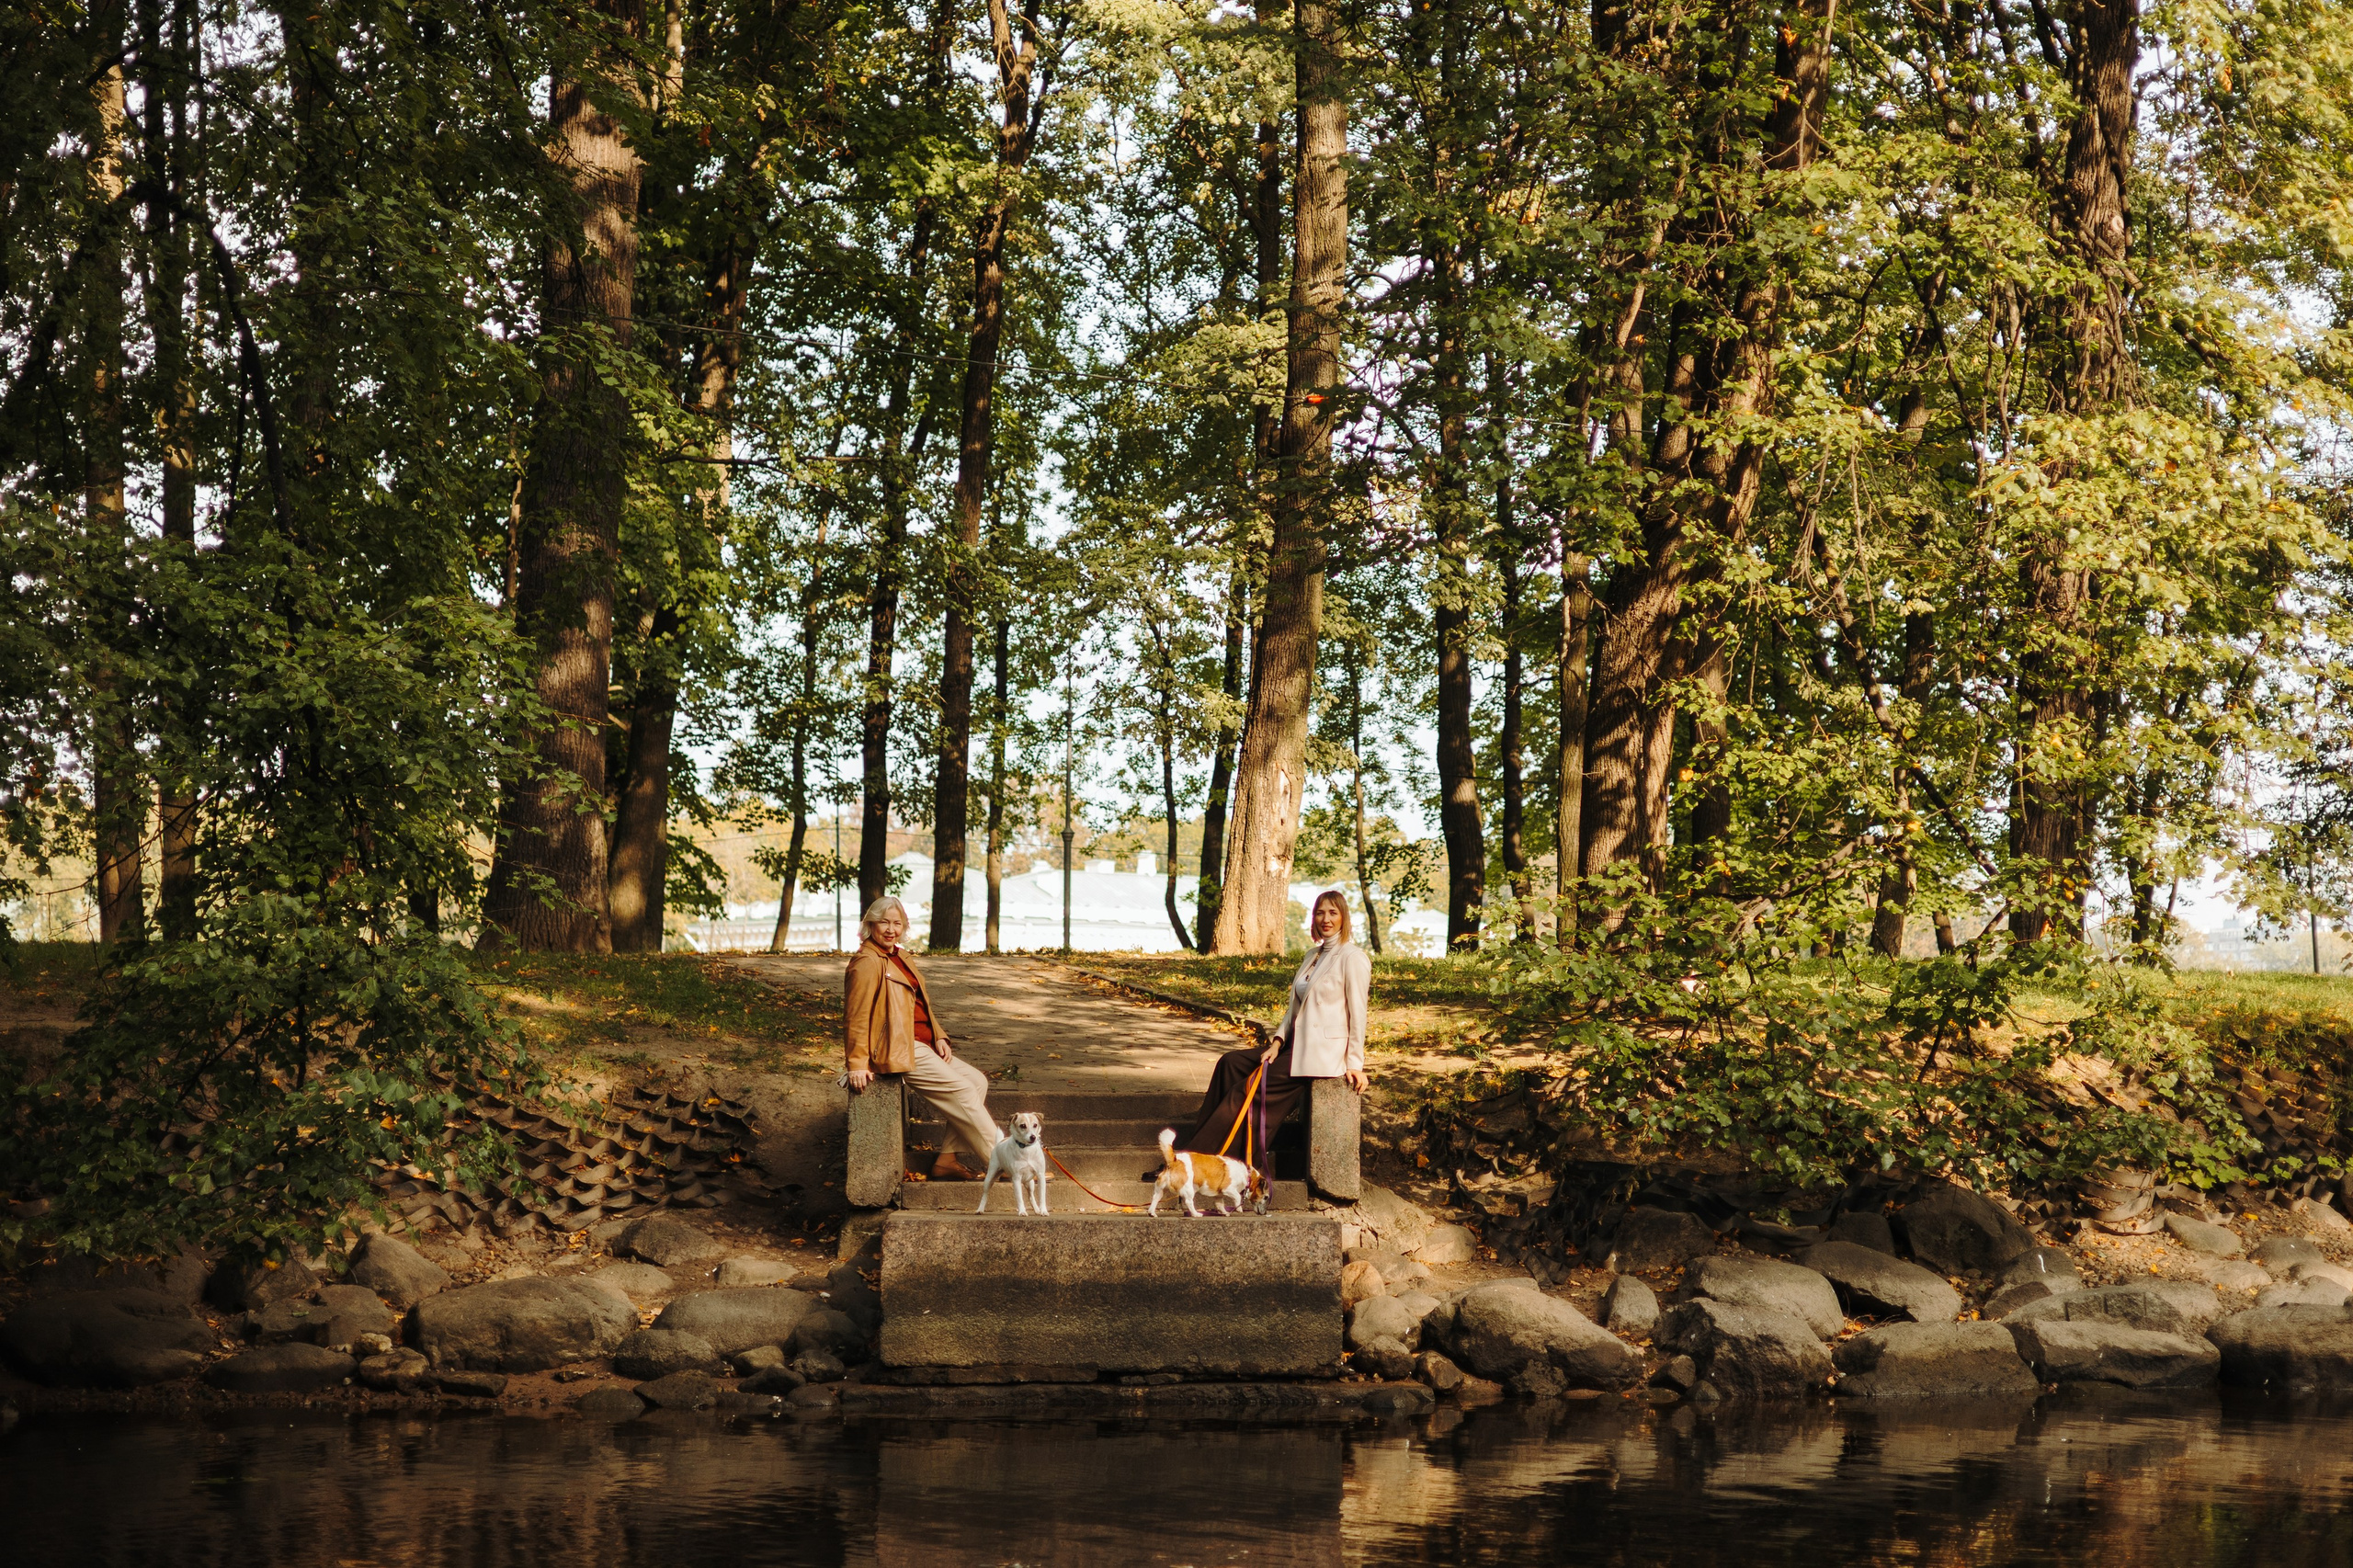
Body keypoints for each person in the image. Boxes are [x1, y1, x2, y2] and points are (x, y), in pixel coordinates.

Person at [1177, 889, 1370, 1169]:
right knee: (1230, 1063)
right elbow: (1295, 1007)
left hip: (1321, 1055)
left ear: (1343, 917)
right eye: (1320, 912)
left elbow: (1358, 1014)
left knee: (1245, 1091)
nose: (1325, 919)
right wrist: (1278, 1042)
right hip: (1293, 1047)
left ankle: (1192, 1165)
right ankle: (1199, 1145)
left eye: (1332, 912)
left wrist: (1355, 1063)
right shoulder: (1312, 955)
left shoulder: (1352, 958)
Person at [844, 895, 999, 1181]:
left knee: (977, 1081)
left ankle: (947, 1161)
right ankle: (1006, 1161)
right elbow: (856, 1016)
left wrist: (939, 1035)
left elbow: (920, 1002)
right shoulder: (866, 962)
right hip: (899, 1048)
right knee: (964, 1091)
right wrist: (856, 1063)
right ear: (870, 925)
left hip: (924, 1044)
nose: (891, 929)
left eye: (897, 923)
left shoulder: (900, 957)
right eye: (884, 923)